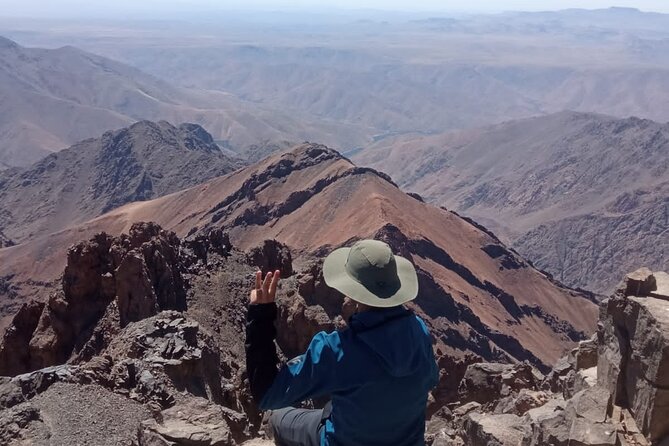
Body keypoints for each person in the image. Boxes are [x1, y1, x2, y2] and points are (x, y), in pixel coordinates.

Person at [245, 239, 439, 446]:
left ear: (352, 290)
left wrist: (260, 315)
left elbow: (268, 394)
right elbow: (431, 379)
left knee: (280, 417)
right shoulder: (419, 330)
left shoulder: (338, 350)